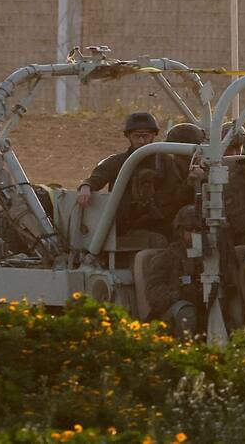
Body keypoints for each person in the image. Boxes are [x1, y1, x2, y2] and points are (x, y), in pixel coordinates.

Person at [76, 112, 168, 248]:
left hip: (159, 223)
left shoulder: (165, 162)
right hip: (127, 228)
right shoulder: (117, 162)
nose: (142, 141)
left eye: (146, 136)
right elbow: (97, 178)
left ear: (154, 136)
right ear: (128, 137)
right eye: (137, 136)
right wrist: (86, 186)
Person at [145, 206, 203, 337]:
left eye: (198, 230)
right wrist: (178, 294)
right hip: (174, 312)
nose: (195, 234)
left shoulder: (208, 256)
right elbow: (153, 292)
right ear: (180, 231)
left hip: (203, 306)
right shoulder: (166, 257)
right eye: (189, 229)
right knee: (186, 313)